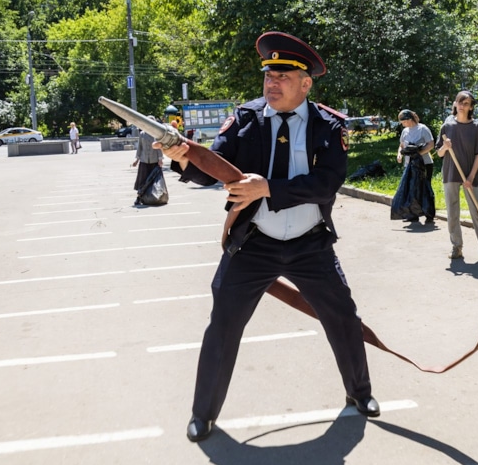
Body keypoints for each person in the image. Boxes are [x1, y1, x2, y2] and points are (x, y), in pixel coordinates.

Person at [158, 31, 379, 442]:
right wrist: (183, 158)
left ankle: (359, 392)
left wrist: (269, 187)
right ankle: (202, 414)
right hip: (254, 242)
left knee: (343, 318)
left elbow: (327, 184)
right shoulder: (245, 119)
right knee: (222, 326)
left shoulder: (329, 125)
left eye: (283, 77)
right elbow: (214, 166)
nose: (272, 84)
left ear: (305, 83)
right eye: (268, 76)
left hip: (311, 244)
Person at [434, 91, 478, 261]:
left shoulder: (476, 128)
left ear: (471, 107)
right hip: (451, 173)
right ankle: (456, 247)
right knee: (452, 212)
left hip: (471, 174)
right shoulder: (447, 127)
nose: (462, 106)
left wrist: (470, 177)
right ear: (455, 104)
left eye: (466, 103)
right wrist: (445, 147)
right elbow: (439, 154)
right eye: (460, 102)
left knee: (477, 211)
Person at [396, 109, 435, 223]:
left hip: (424, 164)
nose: (402, 124)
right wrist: (399, 154)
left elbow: (431, 145)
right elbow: (402, 145)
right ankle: (412, 214)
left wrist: (418, 154)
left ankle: (429, 214)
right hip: (409, 165)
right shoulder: (405, 131)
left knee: (425, 188)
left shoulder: (422, 129)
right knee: (410, 189)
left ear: (408, 120)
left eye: (403, 121)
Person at [131, 116, 164, 205]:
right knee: (142, 181)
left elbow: (159, 148)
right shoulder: (142, 134)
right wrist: (136, 160)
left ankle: (155, 197)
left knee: (154, 181)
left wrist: (160, 159)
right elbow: (140, 148)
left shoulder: (156, 135)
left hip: (154, 161)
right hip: (144, 161)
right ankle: (139, 197)